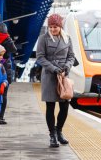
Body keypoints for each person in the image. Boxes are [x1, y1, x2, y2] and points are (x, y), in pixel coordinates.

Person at [36, 13, 76, 147]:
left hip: (64, 76)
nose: (53, 29)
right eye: (51, 27)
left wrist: (67, 67)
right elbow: (40, 57)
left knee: (65, 106)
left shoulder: (67, 39)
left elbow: (71, 56)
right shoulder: (43, 39)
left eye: (56, 27)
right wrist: (54, 68)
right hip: (49, 76)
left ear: (60, 27)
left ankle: (59, 132)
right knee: (50, 106)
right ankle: (52, 135)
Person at [0, 22, 17, 125]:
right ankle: (1, 118)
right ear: (6, 30)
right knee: (4, 93)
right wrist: (9, 39)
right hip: (5, 67)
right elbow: (14, 49)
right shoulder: (7, 40)